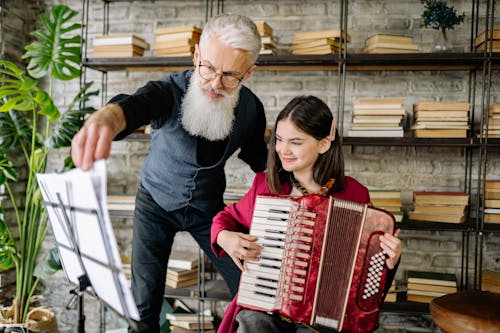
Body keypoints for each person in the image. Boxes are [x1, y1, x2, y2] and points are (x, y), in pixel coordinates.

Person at [71, 14, 268, 332]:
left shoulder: (251, 110)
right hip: (155, 204)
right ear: (196, 56)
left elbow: (261, 161)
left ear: (249, 72)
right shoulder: (168, 91)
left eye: (231, 75)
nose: (216, 84)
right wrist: (105, 118)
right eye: (208, 68)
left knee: (251, 289)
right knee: (143, 308)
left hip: (208, 212)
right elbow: (132, 107)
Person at [210, 95, 402, 333]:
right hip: (266, 306)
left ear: (323, 143)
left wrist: (389, 261)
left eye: (296, 142)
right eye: (279, 140)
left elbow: (370, 273)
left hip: (323, 318)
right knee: (253, 325)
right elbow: (224, 219)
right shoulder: (267, 186)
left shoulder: (355, 194)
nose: (283, 150)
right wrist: (225, 238)